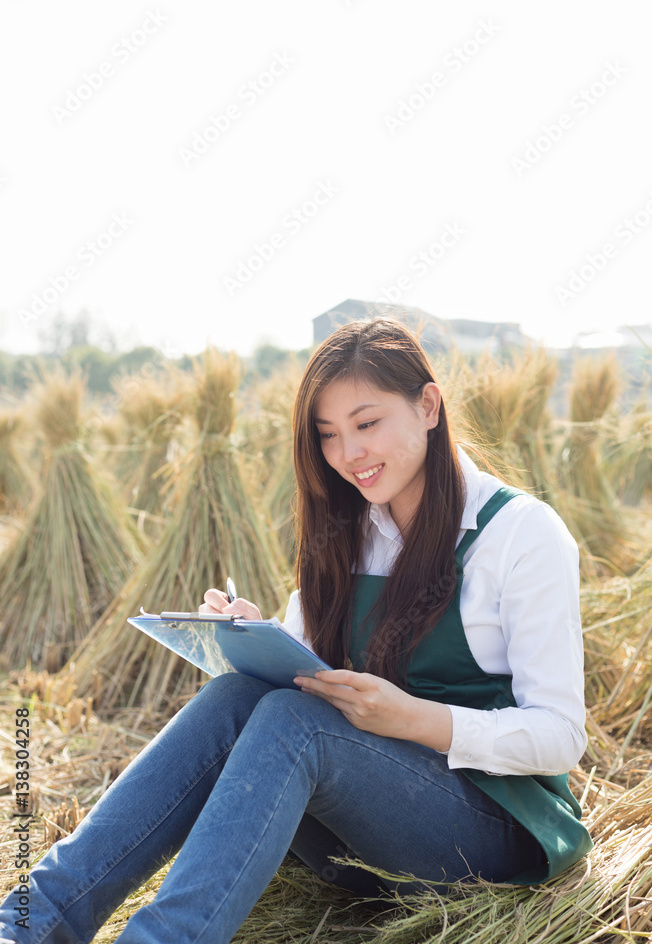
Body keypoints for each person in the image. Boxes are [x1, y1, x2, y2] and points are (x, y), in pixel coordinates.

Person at [0, 316, 593, 943]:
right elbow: (301, 676)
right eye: (329, 435)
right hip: (360, 837)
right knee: (240, 696)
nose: (348, 454)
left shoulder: (520, 535)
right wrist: (252, 639)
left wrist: (412, 718)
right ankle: (32, 920)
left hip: (487, 836)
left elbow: (561, 735)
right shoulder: (352, 528)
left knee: (295, 723)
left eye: (367, 424)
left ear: (428, 406)